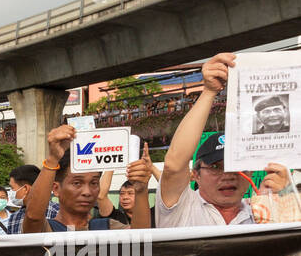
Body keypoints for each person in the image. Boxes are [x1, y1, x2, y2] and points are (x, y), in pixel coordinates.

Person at [157, 53, 287, 227]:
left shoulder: (261, 212)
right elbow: (174, 165)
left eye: (236, 166)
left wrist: (283, 199)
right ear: (195, 175)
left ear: (250, 173)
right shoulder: (183, 208)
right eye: (215, 167)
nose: (228, 176)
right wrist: (209, 91)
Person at [22, 127, 152, 232]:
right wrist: (52, 159)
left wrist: (141, 190)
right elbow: (33, 217)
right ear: (56, 188)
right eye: (77, 183)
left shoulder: (108, 227)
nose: (87, 192)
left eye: (94, 183)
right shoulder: (46, 230)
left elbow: (140, 239)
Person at [4, 164, 57, 233]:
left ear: (25, 189)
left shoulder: (57, 212)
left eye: (12, 188)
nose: (11, 192)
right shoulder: (14, 218)